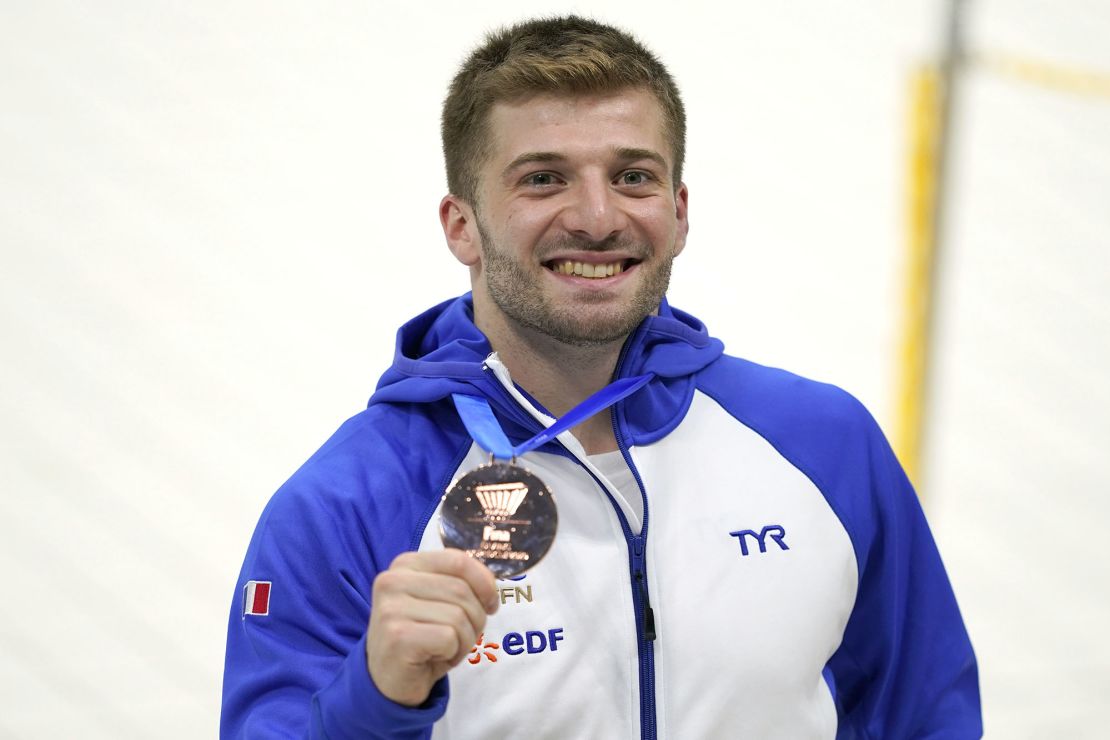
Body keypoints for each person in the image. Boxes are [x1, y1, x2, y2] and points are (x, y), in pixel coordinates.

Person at [221, 15, 981, 739]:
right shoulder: (345, 505)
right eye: (544, 179)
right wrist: (377, 695)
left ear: (679, 211)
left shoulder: (822, 445)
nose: (595, 216)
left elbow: (924, 718)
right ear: (461, 225)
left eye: (633, 177)